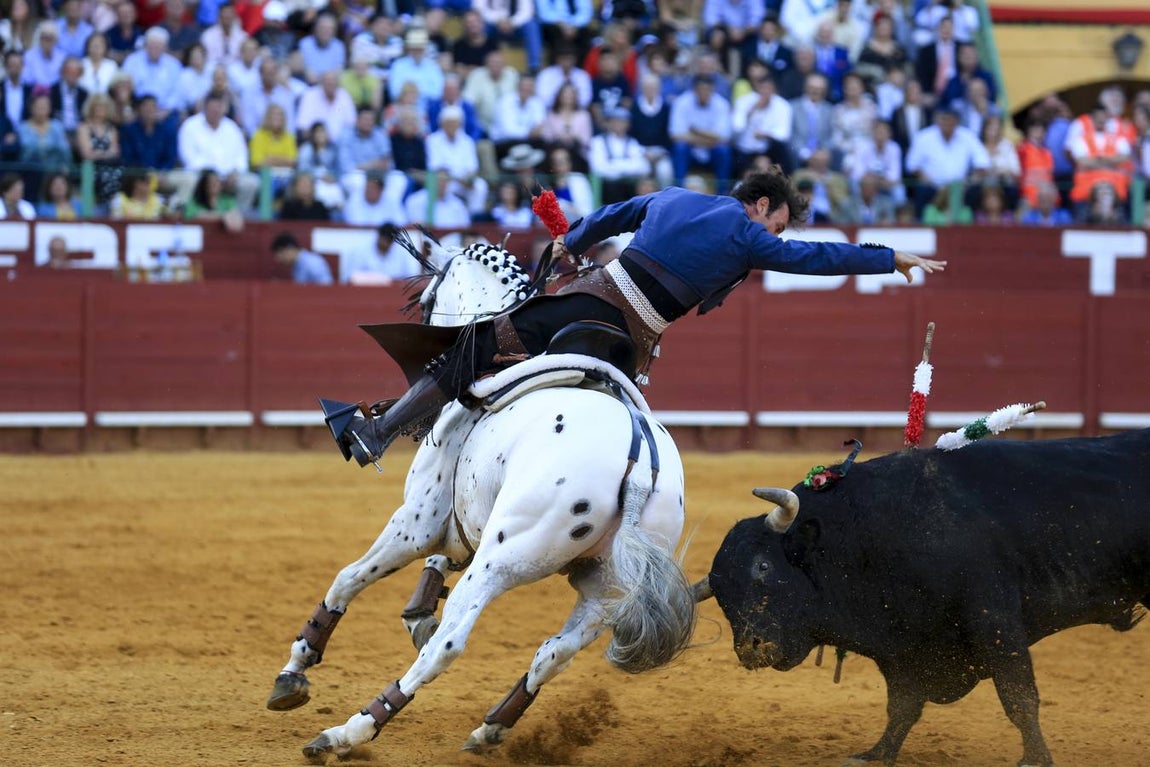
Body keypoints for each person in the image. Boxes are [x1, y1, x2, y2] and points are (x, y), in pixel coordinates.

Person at [325, 168, 946, 469]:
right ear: (761, 205)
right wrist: (888, 258)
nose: (774, 236)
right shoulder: (751, 237)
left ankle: (377, 433)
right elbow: (812, 259)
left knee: (481, 342)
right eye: (776, 223)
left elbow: (617, 213)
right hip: (632, 352)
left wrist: (571, 242)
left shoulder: (675, 197)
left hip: (595, 301)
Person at [345, 222, 423, 285]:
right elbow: (352, 277)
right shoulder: (361, 252)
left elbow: (408, 279)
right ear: (379, 236)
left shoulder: (401, 254)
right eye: (386, 240)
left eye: (391, 241)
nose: (387, 244)